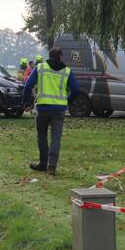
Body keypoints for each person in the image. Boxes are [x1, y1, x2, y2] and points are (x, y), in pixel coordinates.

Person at [22, 47, 80, 175]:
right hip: (59, 110)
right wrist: (67, 101)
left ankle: (43, 163)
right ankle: (51, 167)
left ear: (49, 56)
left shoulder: (40, 68)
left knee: (42, 135)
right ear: (60, 56)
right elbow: (76, 90)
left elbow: (28, 85)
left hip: (43, 108)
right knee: (56, 138)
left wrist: (27, 101)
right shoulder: (67, 71)